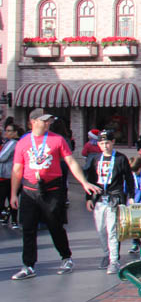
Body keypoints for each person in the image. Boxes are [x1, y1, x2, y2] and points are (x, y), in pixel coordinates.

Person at [10, 109, 102, 280]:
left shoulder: (57, 139)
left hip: (52, 190)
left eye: (49, 121)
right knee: (28, 228)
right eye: (44, 120)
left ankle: (66, 257)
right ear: (33, 121)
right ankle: (28, 265)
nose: (48, 123)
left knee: (55, 226)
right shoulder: (23, 142)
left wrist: (84, 182)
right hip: (30, 190)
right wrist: (14, 194)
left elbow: (71, 162)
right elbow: (17, 169)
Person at [85, 130, 135, 274]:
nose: (105, 146)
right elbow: (90, 179)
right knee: (101, 229)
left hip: (114, 197)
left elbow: (128, 178)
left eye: (107, 142)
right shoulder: (95, 159)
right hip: (99, 197)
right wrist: (88, 198)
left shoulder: (120, 158)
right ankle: (107, 253)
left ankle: (114, 260)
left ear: (113, 142)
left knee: (112, 229)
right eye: (102, 143)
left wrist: (130, 196)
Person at [0, 123, 19, 227]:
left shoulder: (12, 143)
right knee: (11, 197)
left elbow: (2, 157)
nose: (6, 133)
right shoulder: (9, 142)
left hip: (7, 174)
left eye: (9, 131)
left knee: (8, 197)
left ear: (15, 132)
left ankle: (10, 218)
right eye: (6, 130)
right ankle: (12, 219)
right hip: (9, 174)